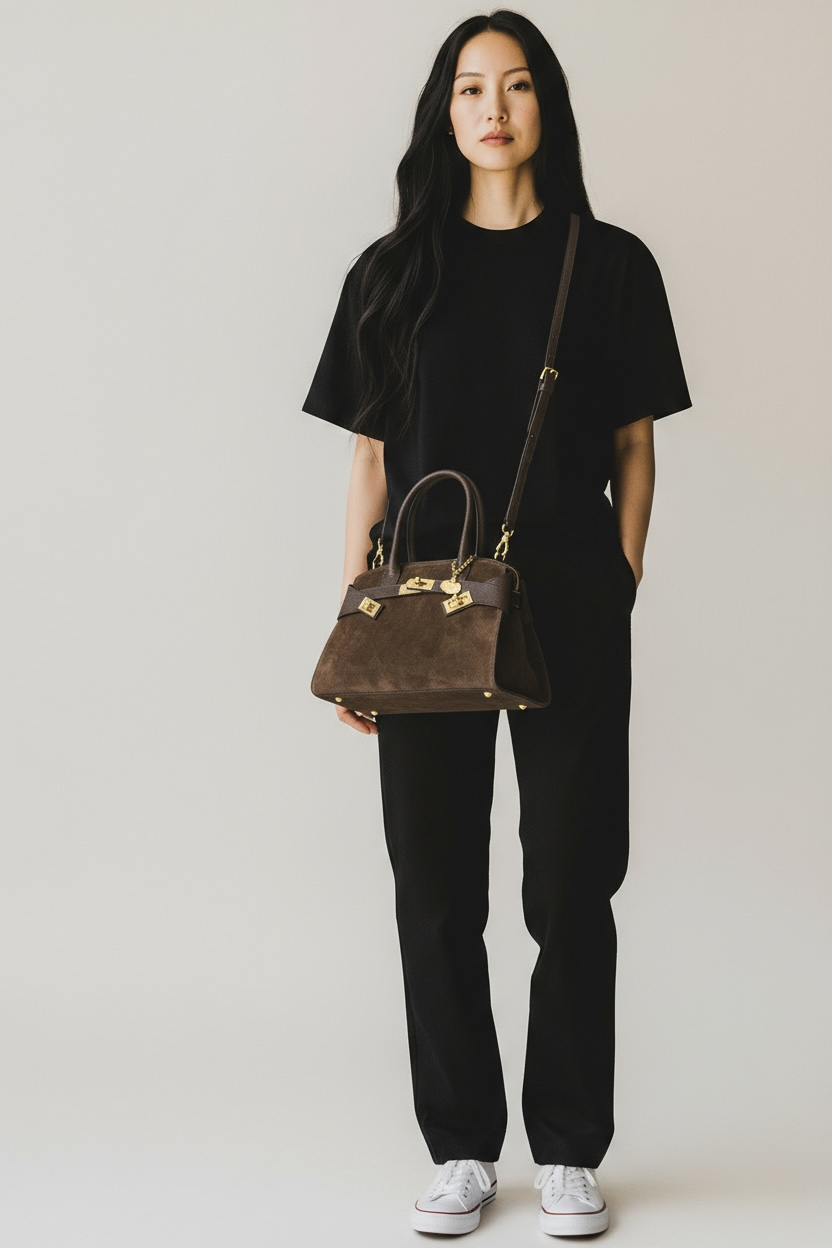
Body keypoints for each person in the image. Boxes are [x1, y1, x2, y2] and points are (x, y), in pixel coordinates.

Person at [301, 9, 691, 1237]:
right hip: (419, 611)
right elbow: (370, 462)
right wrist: (355, 622)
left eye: (516, 86)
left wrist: (617, 581)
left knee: (572, 881)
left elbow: (634, 446)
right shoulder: (391, 270)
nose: (492, 108)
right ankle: (463, 1147)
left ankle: (567, 1149)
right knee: (434, 888)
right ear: (444, 111)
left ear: (545, 108)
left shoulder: (608, 263)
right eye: (470, 87)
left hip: (569, 606)